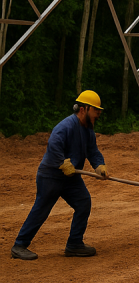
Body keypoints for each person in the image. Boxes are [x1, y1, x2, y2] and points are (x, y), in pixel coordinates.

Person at [11, 91, 109, 260]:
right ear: (84, 109)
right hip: (51, 175)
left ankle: (74, 244)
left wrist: (99, 166)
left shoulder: (88, 131)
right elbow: (54, 144)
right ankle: (19, 245)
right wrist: (62, 162)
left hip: (71, 178)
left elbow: (92, 151)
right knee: (42, 209)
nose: (97, 116)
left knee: (83, 203)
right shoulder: (65, 126)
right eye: (95, 112)